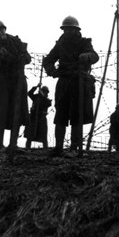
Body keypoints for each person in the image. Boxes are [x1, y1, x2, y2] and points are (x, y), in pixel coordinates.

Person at [43, 16, 99, 157]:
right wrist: (52, 71)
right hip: (64, 82)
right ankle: (58, 148)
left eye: (70, 29)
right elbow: (49, 60)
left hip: (79, 82)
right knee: (60, 116)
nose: (67, 32)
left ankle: (74, 148)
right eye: (65, 29)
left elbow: (95, 56)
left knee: (77, 117)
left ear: (76, 30)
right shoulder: (60, 44)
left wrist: (87, 56)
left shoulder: (84, 43)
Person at [0, 20, 31, 153]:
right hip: (1, 83)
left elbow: (27, 59)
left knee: (18, 111)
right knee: (1, 113)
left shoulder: (15, 41)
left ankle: (13, 144)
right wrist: (2, 58)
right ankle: (0, 145)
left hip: (18, 82)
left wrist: (20, 57)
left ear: (5, 29)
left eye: (1, 29)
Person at [24, 84, 52, 150]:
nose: (45, 92)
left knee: (43, 135)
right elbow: (29, 93)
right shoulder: (36, 97)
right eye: (44, 91)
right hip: (33, 117)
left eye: (46, 91)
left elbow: (48, 103)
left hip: (41, 118)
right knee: (29, 135)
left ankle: (45, 149)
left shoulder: (47, 100)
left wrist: (42, 95)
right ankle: (27, 148)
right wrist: (36, 87)